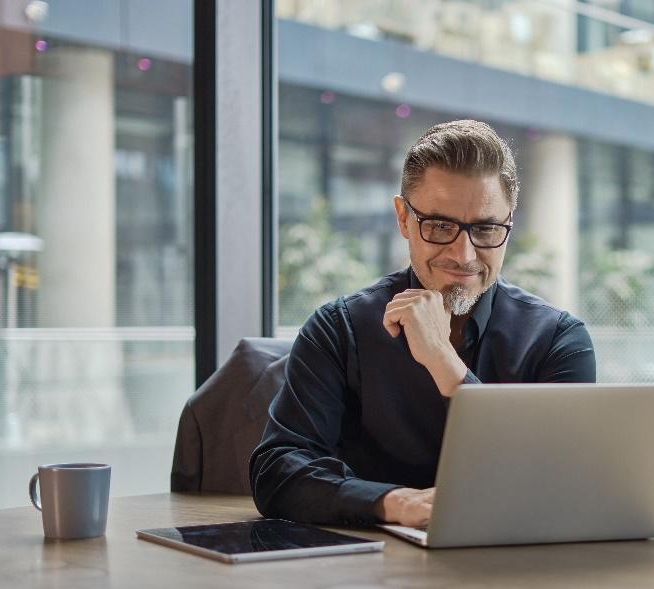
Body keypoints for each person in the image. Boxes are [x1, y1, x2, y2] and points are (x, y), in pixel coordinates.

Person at [250, 120, 596, 527]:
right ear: (403, 218)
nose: (464, 254)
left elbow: (557, 482)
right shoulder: (339, 329)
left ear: (509, 224)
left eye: (485, 229)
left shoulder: (560, 341)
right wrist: (394, 503)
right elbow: (276, 472)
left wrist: (444, 363)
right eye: (439, 226)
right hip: (369, 566)